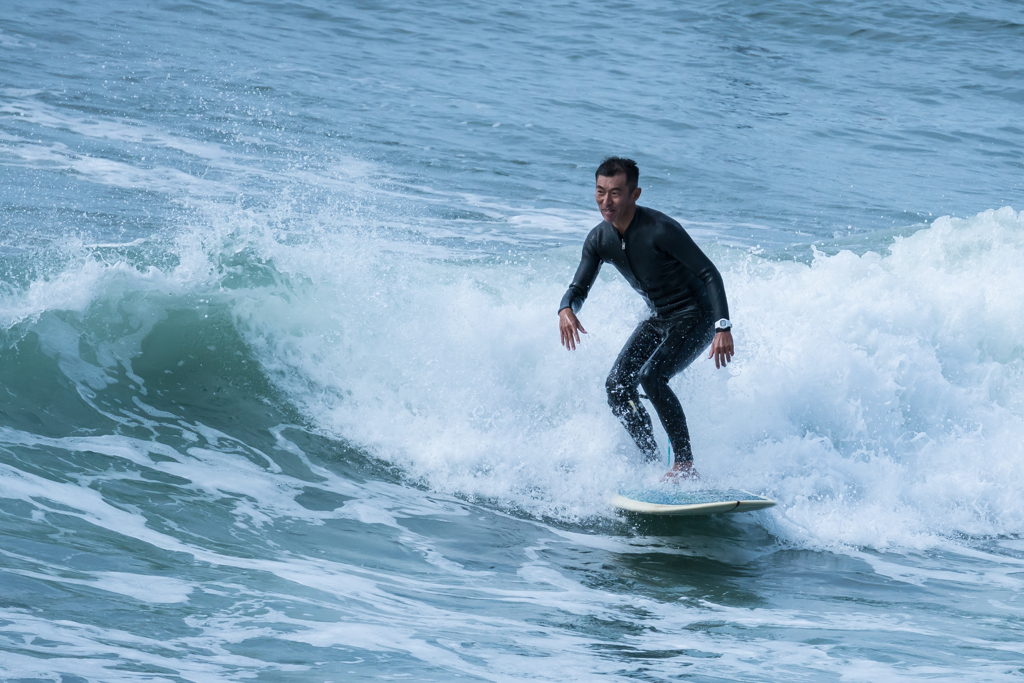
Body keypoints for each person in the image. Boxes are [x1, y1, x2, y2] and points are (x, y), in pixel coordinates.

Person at [558, 157, 734, 479]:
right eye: (600, 192)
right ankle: (652, 462)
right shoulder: (599, 239)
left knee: (652, 376)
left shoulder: (661, 230)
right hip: (661, 317)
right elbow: (578, 288)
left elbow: (710, 273)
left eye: (615, 193)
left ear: (634, 194)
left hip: (697, 315)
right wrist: (566, 308)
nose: (606, 202)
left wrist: (722, 326)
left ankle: (685, 466)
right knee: (616, 387)